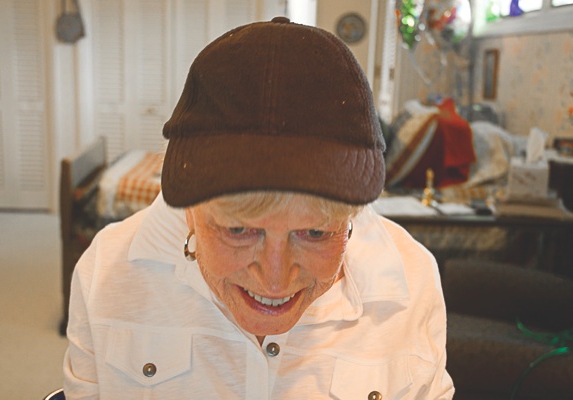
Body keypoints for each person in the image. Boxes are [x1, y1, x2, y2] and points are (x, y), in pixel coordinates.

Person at [63, 17, 454, 399]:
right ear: (192, 210)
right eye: (239, 230)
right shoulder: (107, 272)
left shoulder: (411, 281)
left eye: (315, 233)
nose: (274, 281)